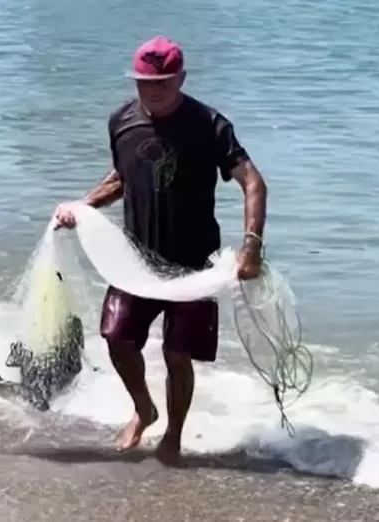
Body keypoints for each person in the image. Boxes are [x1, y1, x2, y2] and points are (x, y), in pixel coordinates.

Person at [52, 36, 268, 466]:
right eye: (144, 82)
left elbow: (253, 183)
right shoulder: (121, 122)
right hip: (135, 260)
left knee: (177, 354)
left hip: (194, 265)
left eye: (164, 82)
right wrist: (82, 206)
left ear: (181, 79)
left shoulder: (210, 125)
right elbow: (121, 177)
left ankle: (173, 432)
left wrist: (251, 247)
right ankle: (143, 409)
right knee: (116, 337)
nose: (153, 91)